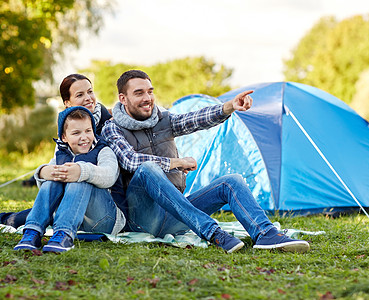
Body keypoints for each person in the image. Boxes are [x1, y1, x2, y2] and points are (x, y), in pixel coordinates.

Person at [102, 70, 310, 253]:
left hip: (178, 215)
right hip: (142, 218)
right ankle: (213, 232)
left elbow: (194, 119)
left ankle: (266, 234)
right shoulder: (112, 127)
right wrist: (176, 163)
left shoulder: (164, 119)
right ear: (123, 98)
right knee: (147, 168)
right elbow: (130, 160)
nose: (147, 98)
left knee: (232, 181)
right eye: (139, 93)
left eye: (150, 91)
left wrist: (229, 106)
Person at [0, 74, 117, 229]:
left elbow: (111, 171)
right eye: (80, 95)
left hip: (103, 199)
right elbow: (56, 167)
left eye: (90, 92)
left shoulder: (110, 123)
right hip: (71, 197)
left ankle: (10, 221)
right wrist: (45, 172)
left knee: (77, 184)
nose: (88, 98)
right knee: (45, 210)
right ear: (67, 103)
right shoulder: (66, 128)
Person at [14, 106, 123, 252]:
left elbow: (109, 176)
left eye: (88, 131)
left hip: (102, 219)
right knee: (54, 178)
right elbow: (48, 187)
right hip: (77, 221)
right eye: (76, 133)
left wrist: (82, 171)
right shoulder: (61, 153)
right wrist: (43, 172)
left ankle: (64, 234)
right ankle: (33, 231)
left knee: (81, 177)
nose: (84, 137)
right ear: (64, 137)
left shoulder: (103, 150)